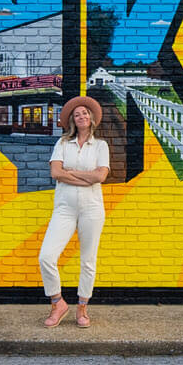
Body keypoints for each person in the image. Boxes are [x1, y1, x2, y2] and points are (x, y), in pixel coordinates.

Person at [38, 95, 111, 329]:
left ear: (91, 118)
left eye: (85, 113)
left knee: (88, 260)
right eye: (77, 114)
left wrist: (72, 174)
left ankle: (82, 308)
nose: (82, 116)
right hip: (64, 208)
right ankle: (57, 303)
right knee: (46, 256)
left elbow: (100, 177)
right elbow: (56, 173)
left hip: (92, 208)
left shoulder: (100, 145)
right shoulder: (62, 143)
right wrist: (84, 178)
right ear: (72, 119)